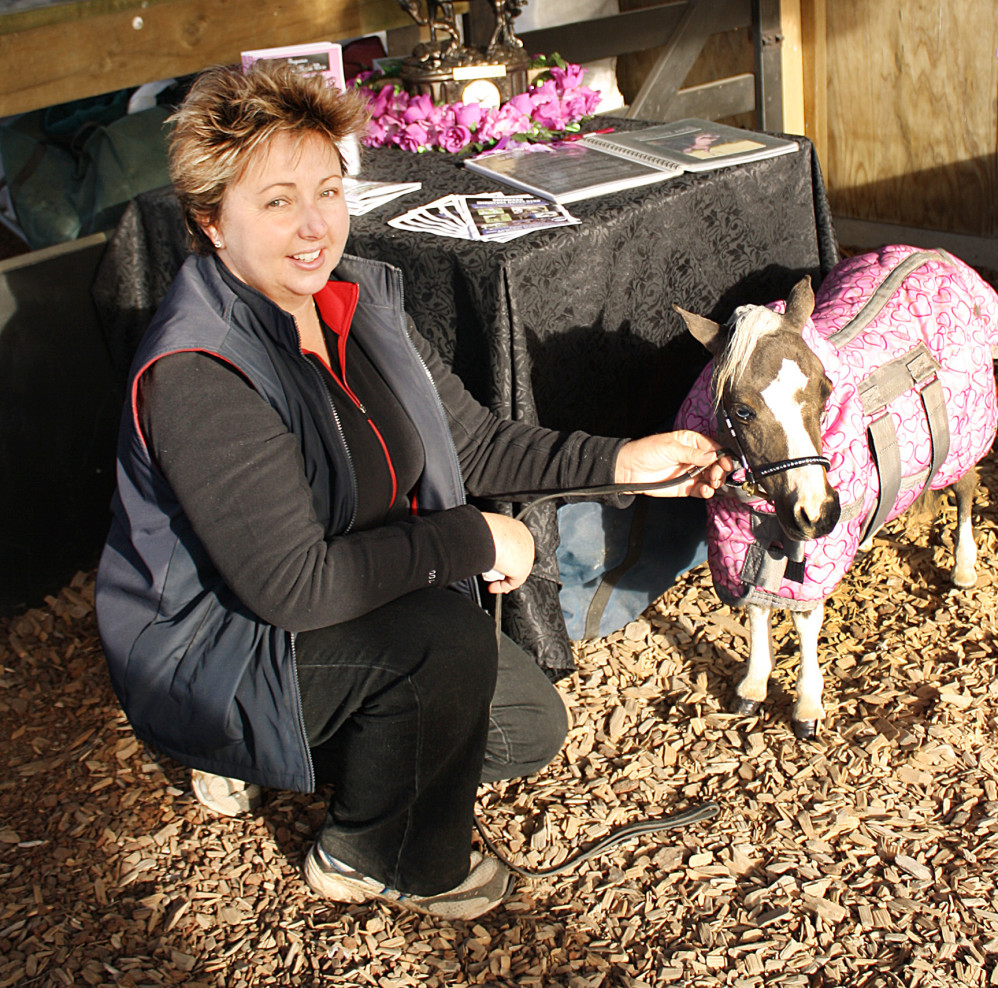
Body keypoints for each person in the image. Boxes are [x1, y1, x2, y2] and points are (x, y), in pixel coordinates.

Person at [95, 61, 731, 922]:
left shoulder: (355, 301)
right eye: (277, 202)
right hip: (217, 641)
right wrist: (475, 539)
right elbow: (292, 586)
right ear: (211, 223)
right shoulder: (200, 371)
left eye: (326, 189)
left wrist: (627, 463)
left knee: (522, 727)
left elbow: (471, 441)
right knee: (442, 645)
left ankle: (309, 744)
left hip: (333, 600)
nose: (315, 224)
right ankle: (370, 854)